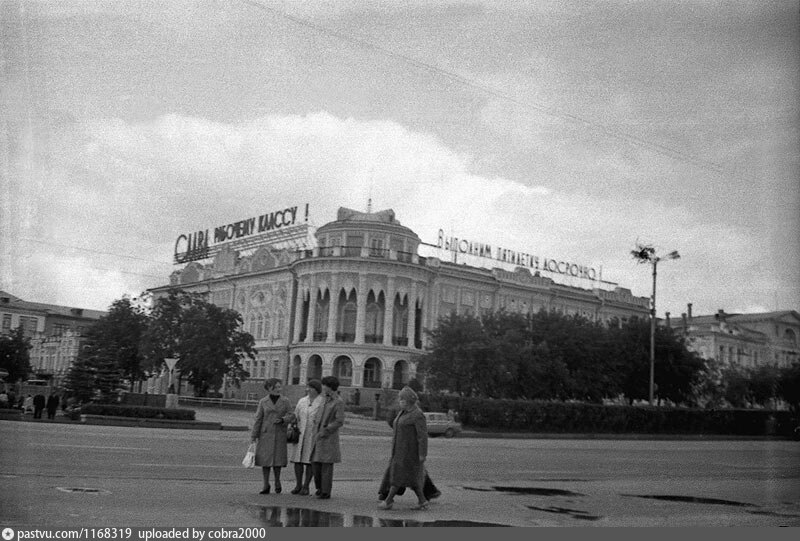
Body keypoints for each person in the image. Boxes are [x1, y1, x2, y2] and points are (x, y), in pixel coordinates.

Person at [378, 386, 429, 510]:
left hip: (410, 452)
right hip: (399, 450)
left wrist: (422, 454)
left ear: (408, 400)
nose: (400, 401)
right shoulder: (403, 412)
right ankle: (422, 501)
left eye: (402, 399)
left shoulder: (417, 414)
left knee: (398, 476)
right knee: (412, 478)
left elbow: (422, 436)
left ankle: (389, 500)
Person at [250, 378, 295, 495]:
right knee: (265, 461)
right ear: (269, 389)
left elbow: (291, 415)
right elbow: (258, 419)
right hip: (265, 434)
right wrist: (254, 435)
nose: (278, 389)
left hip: (279, 433)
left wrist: (283, 420)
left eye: (279, 387)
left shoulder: (285, 401)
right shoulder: (263, 402)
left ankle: (277, 481)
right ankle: (265, 484)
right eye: (275, 387)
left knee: (277, 460)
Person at [310, 375, 345, 499]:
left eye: (325, 385)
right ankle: (319, 487)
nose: (323, 387)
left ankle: (325, 491)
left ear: (330, 387)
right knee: (315, 464)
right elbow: (318, 414)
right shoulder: (323, 399)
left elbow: (339, 420)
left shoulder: (338, 401)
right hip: (318, 435)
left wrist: (327, 429)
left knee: (326, 465)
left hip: (328, 437)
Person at [289, 379, 324, 495]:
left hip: (313, 435)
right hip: (300, 433)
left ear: (316, 389)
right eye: (307, 387)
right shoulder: (302, 401)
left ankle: (306, 485)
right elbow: (296, 415)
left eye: (310, 387)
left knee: (309, 461)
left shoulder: (321, 402)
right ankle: (298, 484)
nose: (307, 389)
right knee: (297, 460)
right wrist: (292, 423)